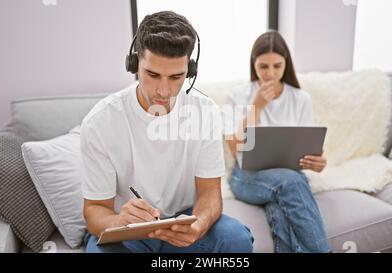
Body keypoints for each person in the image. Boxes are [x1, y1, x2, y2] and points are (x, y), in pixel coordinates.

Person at [80, 11, 253, 253]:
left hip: (183, 224)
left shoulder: (205, 113)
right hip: (128, 230)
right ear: (134, 64)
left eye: (176, 77)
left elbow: (210, 195)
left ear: (190, 71)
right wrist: (120, 221)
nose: (164, 90)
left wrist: (199, 225)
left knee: (236, 239)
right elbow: (94, 210)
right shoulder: (100, 122)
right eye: (153, 75)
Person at [224, 30, 330, 253]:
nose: (270, 74)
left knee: (282, 204)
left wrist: (318, 161)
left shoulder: (300, 98)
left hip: (288, 176)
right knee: (290, 183)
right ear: (254, 64)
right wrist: (257, 106)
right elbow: (235, 148)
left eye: (277, 66)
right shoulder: (237, 95)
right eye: (264, 66)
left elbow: (307, 145)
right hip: (246, 176)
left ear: (286, 64)